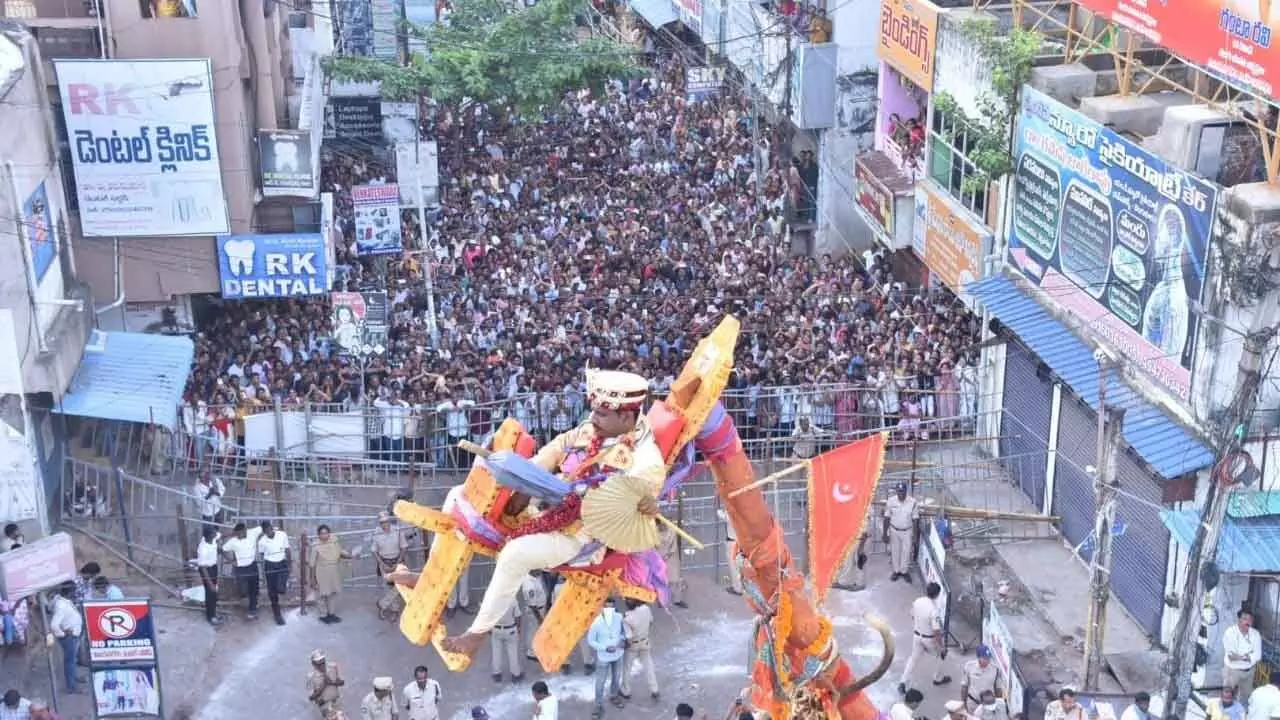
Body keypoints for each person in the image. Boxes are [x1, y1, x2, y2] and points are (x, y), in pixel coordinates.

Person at [442, 370, 666, 658]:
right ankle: (432, 580)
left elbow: (616, 520)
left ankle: (477, 634)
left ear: (626, 417)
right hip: (546, 507)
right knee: (458, 496)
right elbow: (561, 445)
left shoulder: (646, 463)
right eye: (594, 411)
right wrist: (527, 478)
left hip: (584, 538)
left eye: (601, 414)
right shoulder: (595, 428)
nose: (593, 419)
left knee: (515, 554)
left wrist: (568, 492)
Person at [899, 582, 950, 694]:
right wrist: (942, 647)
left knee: (913, 659)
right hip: (929, 639)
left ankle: (903, 681)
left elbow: (912, 615)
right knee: (941, 655)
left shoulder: (918, 601)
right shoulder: (934, 610)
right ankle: (938, 678)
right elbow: (936, 631)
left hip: (917, 635)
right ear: (937, 595)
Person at [587, 597, 627, 717]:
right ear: (603, 608)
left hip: (618, 654)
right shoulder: (596, 622)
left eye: (612, 607)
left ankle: (614, 696)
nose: (610, 609)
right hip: (604, 657)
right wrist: (605, 648)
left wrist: (622, 640)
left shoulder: (619, 617)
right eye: (607, 607)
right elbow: (591, 641)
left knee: (616, 678)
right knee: (600, 682)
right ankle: (598, 705)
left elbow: (623, 633)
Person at [308, 524, 354, 623]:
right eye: (322, 533)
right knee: (321, 594)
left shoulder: (334, 540)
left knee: (332, 593)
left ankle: (331, 613)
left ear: (329, 533)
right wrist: (312, 579)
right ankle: (323, 615)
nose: (324, 535)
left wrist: (351, 555)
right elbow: (312, 564)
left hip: (333, 571)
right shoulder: (316, 545)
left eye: (326, 533)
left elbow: (341, 551)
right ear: (318, 535)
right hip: (321, 572)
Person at [223, 522, 263, 620]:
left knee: (254, 588)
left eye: (241, 533)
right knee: (244, 590)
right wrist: (231, 561)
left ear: (245, 530)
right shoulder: (233, 541)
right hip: (240, 568)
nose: (239, 536)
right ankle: (250, 603)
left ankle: (252, 610)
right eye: (237, 534)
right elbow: (222, 549)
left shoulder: (252, 532)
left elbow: (263, 526)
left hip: (252, 565)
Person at [48, 583, 82, 693]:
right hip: (69, 638)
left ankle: (74, 678)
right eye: (73, 591)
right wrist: (63, 634)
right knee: (70, 661)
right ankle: (71, 686)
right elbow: (54, 625)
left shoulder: (63, 601)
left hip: (73, 635)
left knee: (72, 660)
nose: (75, 593)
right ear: (69, 592)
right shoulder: (61, 605)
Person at [621, 599, 659, 700]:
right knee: (649, 666)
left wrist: (625, 646)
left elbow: (628, 637)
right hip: (645, 642)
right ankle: (655, 689)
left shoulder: (627, 618)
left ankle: (626, 691)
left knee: (627, 669)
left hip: (633, 645)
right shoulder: (646, 609)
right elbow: (651, 622)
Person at [1223, 609, 1262, 702]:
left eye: (1250, 619)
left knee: (1245, 697)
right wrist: (1248, 656)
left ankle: (1240, 714)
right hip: (1232, 670)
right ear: (1239, 620)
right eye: (1245, 619)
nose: (1247, 622)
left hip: (1249, 671)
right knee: (1228, 695)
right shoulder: (1230, 632)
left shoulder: (1255, 634)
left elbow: (1258, 655)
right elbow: (1232, 657)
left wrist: (1242, 657)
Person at [883, 483, 919, 582]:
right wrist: (885, 533)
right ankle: (896, 571)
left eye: (902, 492)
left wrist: (915, 535)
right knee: (895, 551)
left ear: (906, 491)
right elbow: (886, 517)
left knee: (906, 552)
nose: (900, 494)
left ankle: (904, 572)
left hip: (907, 531)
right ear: (896, 492)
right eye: (899, 492)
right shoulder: (891, 501)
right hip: (894, 530)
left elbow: (915, 519)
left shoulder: (913, 502)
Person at [258, 520, 291, 625]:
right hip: (270, 565)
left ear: (272, 528)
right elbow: (262, 555)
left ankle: (284, 585)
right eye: (266, 530)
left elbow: (287, 549)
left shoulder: (282, 535)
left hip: (282, 563)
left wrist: (290, 564)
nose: (268, 531)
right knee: (272, 592)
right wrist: (264, 571)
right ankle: (277, 615)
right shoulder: (262, 541)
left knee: (280, 589)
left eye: (269, 529)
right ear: (263, 531)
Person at [960, 644, 1004, 711]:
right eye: (984, 658)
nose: (987, 660)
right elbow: (964, 687)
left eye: (988, 658)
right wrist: (963, 703)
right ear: (978, 657)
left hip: (989, 705)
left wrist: (999, 704)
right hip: (973, 703)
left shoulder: (996, 669)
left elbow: (998, 689)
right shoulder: (969, 667)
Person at [490, 601, 523, 683]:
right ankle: (516, 675)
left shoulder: (493, 599)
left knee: (496, 652)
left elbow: (488, 616)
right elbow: (518, 616)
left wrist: (489, 628)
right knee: (513, 653)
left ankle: (496, 674)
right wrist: (518, 628)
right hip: (510, 629)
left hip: (496, 629)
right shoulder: (512, 600)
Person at [306, 649, 345, 719]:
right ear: (313, 664)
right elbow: (311, 697)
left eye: (323, 662)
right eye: (319, 664)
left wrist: (332, 682)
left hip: (337, 702)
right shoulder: (311, 677)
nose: (322, 665)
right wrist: (324, 685)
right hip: (325, 706)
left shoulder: (333, 667)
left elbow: (342, 682)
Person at [519, 571, 548, 660]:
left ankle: (536, 649)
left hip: (540, 608)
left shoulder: (535, 577)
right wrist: (539, 618)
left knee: (535, 631)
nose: (540, 570)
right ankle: (531, 653)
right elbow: (532, 605)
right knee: (533, 631)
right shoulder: (529, 585)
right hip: (535, 611)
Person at [658, 519, 686, 608]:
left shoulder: (671, 531)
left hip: (672, 558)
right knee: (661, 580)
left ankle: (677, 600)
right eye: (661, 525)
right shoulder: (653, 532)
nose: (663, 526)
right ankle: (662, 600)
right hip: (659, 559)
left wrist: (668, 555)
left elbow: (674, 545)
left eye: (664, 524)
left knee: (675, 580)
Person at [196, 526, 221, 625]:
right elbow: (202, 568)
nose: (216, 535)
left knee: (214, 592)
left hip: (213, 567)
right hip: (206, 569)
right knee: (210, 592)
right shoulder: (203, 549)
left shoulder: (212, 539)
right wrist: (210, 583)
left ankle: (214, 613)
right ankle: (210, 616)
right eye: (214, 534)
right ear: (209, 536)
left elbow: (220, 536)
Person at [717, 508, 744, 595]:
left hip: (733, 541)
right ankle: (741, 586)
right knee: (739, 564)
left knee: (733, 566)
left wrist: (718, 508)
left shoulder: (732, 513)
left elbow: (722, 515)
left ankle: (737, 588)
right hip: (740, 540)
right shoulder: (742, 511)